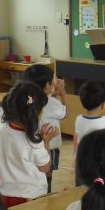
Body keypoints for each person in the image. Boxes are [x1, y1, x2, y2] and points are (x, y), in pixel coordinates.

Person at [0, 81, 58, 208]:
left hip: (6, 194)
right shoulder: (33, 141)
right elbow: (45, 168)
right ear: (33, 113)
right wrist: (45, 141)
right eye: (41, 111)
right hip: (31, 198)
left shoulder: (4, 130)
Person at [22, 64, 67, 193]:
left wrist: (52, 94)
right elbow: (66, 113)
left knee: (36, 168)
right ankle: (46, 191)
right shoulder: (51, 103)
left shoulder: (27, 99)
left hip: (30, 144)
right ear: (47, 85)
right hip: (50, 144)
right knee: (47, 170)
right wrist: (63, 94)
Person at [73, 81, 105, 186]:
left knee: (81, 189)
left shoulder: (78, 119)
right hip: (99, 165)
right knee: (98, 189)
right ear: (103, 104)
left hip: (81, 161)